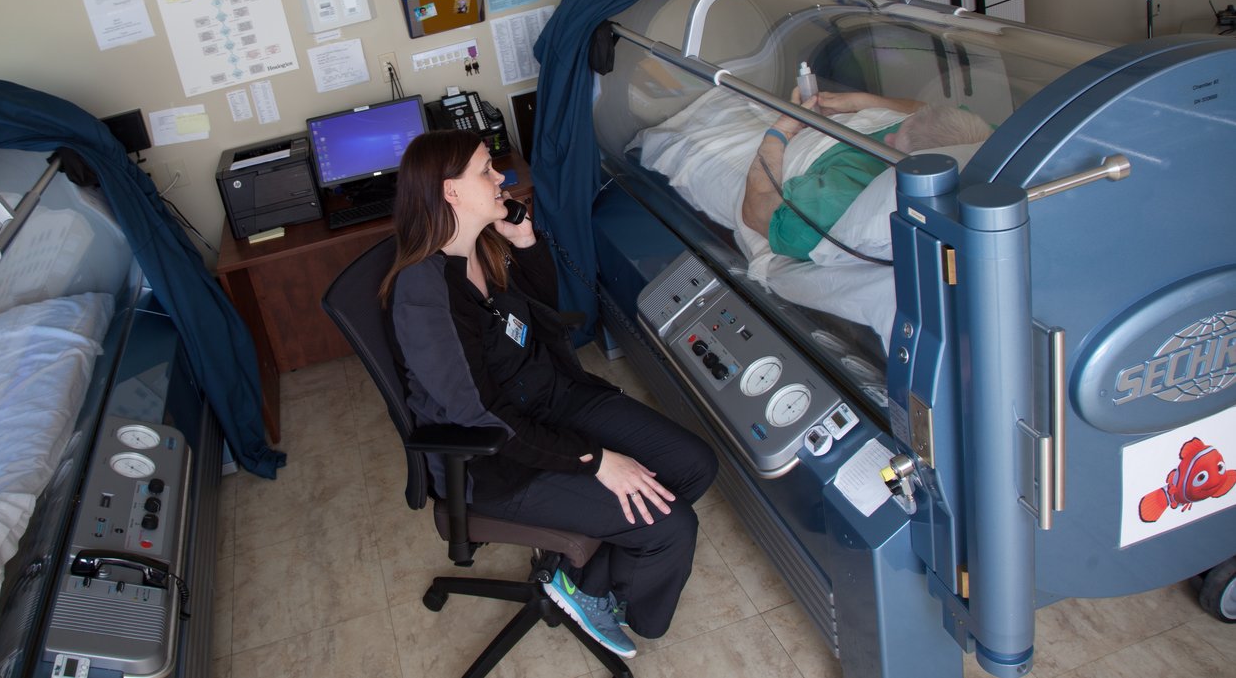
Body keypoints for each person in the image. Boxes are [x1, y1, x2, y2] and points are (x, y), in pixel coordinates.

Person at [381, 129, 718, 659]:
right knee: (671, 529)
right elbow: (482, 415)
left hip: (555, 400)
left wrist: (524, 241)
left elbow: (539, 314)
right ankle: (612, 599)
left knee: (694, 465)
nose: (500, 177)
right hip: (499, 458)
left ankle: (581, 581)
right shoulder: (424, 296)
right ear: (450, 191)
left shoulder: (481, 246)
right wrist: (597, 461)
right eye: (486, 170)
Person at [741, 90, 994, 261]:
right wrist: (862, 102)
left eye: (894, 141)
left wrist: (779, 133)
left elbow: (757, 213)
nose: (888, 137)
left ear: (913, 172)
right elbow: (924, 111)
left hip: (792, 140)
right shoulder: (985, 139)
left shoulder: (833, 206)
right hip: (838, 119)